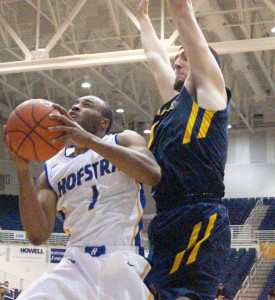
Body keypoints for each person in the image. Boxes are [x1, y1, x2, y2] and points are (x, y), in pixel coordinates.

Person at [4, 95, 161, 299]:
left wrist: (89, 141)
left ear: (104, 122)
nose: (76, 107)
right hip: (75, 262)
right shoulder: (52, 169)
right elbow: (37, 235)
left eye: (86, 105)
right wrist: (23, 170)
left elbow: (152, 174)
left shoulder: (122, 139)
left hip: (121, 258)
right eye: (74, 105)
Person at [137, 0, 232, 299]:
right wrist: (143, 20)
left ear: (201, 61)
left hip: (200, 214)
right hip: (165, 215)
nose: (176, 63)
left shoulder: (211, 93)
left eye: (184, 58)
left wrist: (181, 8)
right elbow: (154, 59)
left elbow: (183, 13)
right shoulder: (173, 104)